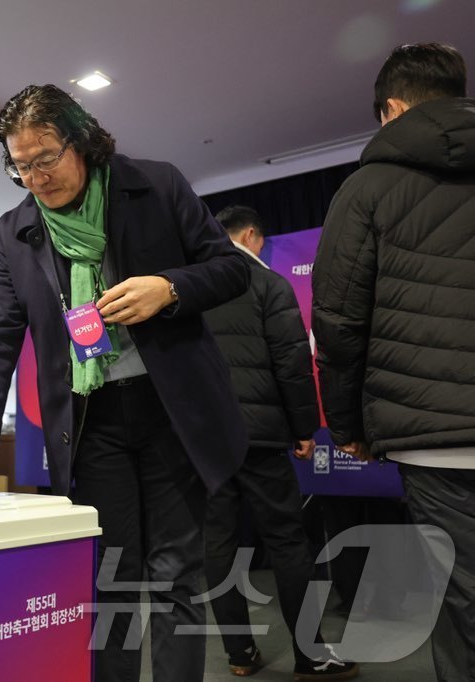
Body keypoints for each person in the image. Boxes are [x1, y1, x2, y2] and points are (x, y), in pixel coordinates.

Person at [0, 84, 251, 682]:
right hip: (92, 423)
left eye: (46, 157)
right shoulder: (16, 230)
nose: (35, 176)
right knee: (108, 578)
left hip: (172, 412)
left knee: (174, 577)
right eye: (21, 164)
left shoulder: (156, 186)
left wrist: (170, 288)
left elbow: (230, 269)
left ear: (81, 140)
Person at [312, 42, 475, 681]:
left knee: (464, 595)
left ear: (393, 109)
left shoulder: (368, 188)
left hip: (432, 437)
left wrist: (349, 427)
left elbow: (340, 324)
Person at [202, 205, 358, 679]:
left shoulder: (190, 285)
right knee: (289, 543)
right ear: (251, 235)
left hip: (204, 439)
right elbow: (292, 365)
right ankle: (310, 656)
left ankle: (239, 654)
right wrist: (303, 430)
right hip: (261, 435)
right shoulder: (268, 284)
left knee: (217, 545)